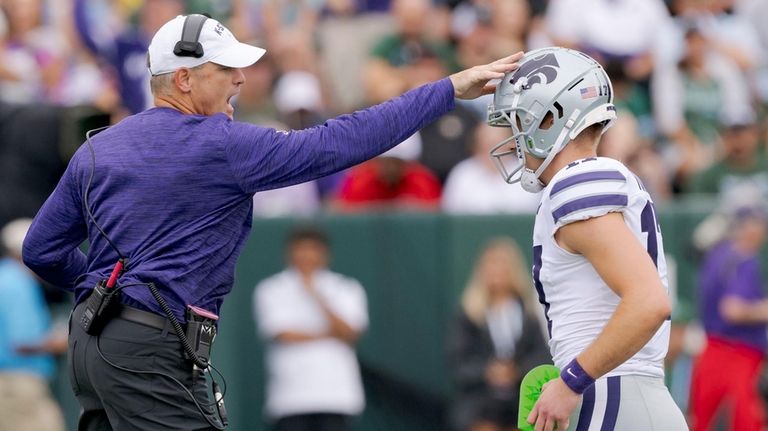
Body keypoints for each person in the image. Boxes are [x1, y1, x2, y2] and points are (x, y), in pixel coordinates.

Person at [20, 11, 523, 430]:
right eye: (227, 69)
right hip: (149, 350)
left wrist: (102, 292)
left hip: (91, 345)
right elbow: (338, 142)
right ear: (184, 78)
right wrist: (446, 89)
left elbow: (42, 249)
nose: (241, 78)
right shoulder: (219, 144)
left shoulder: (98, 149)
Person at [487, 47, 686, 430]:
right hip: (627, 396)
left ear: (549, 119)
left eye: (518, 122)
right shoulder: (595, 177)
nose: (515, 139)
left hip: (612, 397)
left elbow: (648, 302)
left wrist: (571, 380)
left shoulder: (576, 181)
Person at [254, 227, 367, 431]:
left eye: (313, 249)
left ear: (324, 253)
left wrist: (317, 295)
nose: (307, 256)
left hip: (337, 398)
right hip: (289, 399)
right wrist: (329, 335)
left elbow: (350, 332)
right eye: (301, 249)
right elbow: (282, 334)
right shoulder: (271, 289)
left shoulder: (346, 287)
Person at [448, 237, 550, 431]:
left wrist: (516, 371)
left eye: (501, 266)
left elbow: (541, 355)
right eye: (490, 266)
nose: (495, 273)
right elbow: (459, 363)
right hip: (480, 407)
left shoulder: (529, 314)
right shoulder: (469, 314)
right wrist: (488, 371)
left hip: (521, 406)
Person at [689, 204, 768, 431]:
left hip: (711, 350)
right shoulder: (744, 259)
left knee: (700, 422)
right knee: (745, 422)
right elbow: (733, 309)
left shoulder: (717, 255)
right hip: (739, 355)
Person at [0, 219, 65, 431]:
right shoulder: (19, 282)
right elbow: (22, 343)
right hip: (19, 384)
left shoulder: (5, 276)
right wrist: (61, 342)